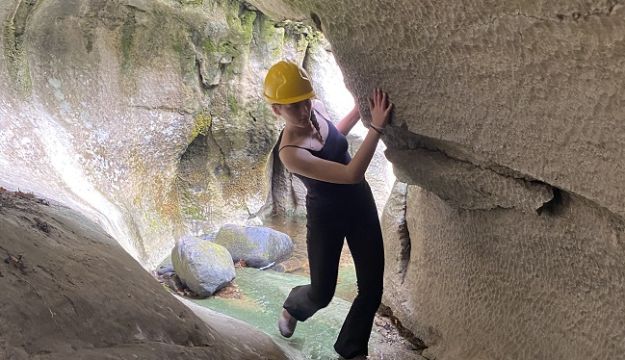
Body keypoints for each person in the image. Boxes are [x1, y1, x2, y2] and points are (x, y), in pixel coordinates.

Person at [263, 60, 393, 360]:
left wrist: (360, 112)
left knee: (372, 288)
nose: (303, 109)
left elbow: (335, 135)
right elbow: (351, 174)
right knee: (323, 293)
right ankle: (294, 306)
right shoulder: (290, 152)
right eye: (292, 106)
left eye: (305, 100)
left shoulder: (316, 108)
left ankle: (352, 350)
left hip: (359, 203)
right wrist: (376, 126)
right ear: (276, 110)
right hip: (326, 217)